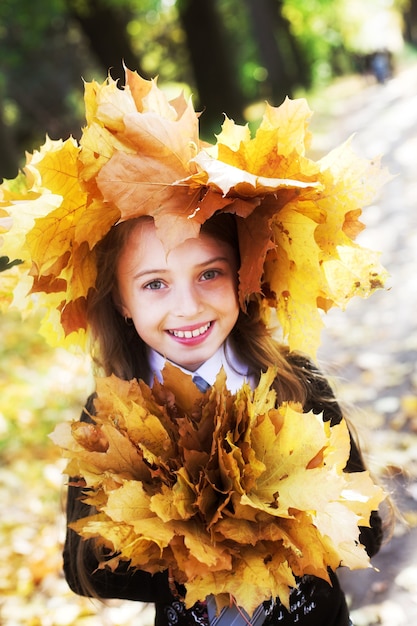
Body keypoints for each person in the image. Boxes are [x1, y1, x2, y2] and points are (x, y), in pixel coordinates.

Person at [0, 68, 389, 626]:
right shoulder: (110, 416)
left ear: (244, 277)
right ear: (123, 302)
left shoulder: (293, 384)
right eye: (155, 283)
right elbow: (82, 566)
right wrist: (194, 541)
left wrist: (277, 524)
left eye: (209, 274)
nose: (187, 306)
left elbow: (367, 532)